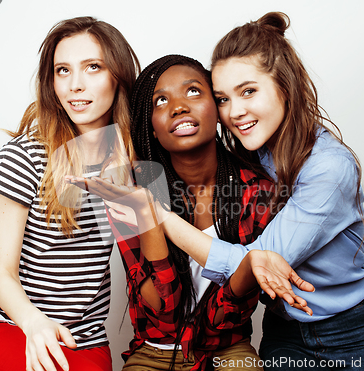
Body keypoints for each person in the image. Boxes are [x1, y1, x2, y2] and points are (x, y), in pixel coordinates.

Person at [146, 12, 364, 370]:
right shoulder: (251, 151)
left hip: (351, 336)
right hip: (283, 333)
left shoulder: (330, 168)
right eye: (222, 98)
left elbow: (256, 264)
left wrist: (159, 217)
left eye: (248, 91)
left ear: (285, 85)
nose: (234, 112)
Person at [68, 54, 314, 370]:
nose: (179, 106)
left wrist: (250, 266)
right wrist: (148, 215)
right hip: (153, 352)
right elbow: (163, 313)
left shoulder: (259, 192)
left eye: (194, 91)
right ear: (152, 127)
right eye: (160, 101)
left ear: (218, 109)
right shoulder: (128, 190)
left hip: (229, 349)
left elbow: (230, 317)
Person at [0, 16, 140, 371]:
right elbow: (2, 275)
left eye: (93, 67)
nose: (75, 85)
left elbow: (150, 271)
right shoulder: (21, 157)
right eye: (62, 70)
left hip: (84, 342)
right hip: (10, 326)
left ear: (117, 75)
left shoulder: (139, 163)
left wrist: (127, 189)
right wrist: (34, 323)